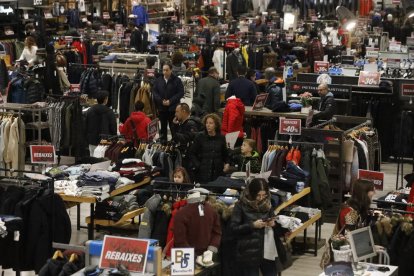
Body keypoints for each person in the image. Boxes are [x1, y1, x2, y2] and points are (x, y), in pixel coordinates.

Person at [230, 178, 282, 276]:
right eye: (258, 195)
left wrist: (273, 224)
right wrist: (252, 225)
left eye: (264, 195)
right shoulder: (240, 205)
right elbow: (233, 228)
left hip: (267, 250)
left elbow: (275, 224)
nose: (261, 198)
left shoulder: (268, 204)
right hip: (248, 253)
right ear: (252, 192)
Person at [189, 113, 230, 183]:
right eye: (207, 123)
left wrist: (227, 163)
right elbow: (191, 153)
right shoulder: (200, 136)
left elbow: (225, 154)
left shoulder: (221, 137)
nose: (208, 125)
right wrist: (198, 165)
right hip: (202, 173)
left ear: (216, 125)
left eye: (211, 123)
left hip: (217, 172)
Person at [152, 63, 184, 143]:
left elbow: (180, 93)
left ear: (171, 70)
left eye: (167, 70)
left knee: (174, 128)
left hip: (173, 109)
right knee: (163, 128)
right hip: (162, 109)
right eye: (163, 70)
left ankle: (175, 144)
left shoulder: (177, 80)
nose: (165, 72)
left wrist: (170, 101)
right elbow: (155, 93)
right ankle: (163, 144)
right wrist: (161, 101)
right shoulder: (158, 80)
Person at [172, 103, 202, 179]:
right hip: (184, 157)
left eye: (177, 112)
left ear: (184, 111)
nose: (175, 114)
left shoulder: (191, 123)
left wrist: (176, 133)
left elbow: (187, 138)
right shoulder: (182, 123)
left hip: (190, 160)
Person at [85, 90, 117, 156]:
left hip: (92, 140)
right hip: (105, 141)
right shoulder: (109, 112)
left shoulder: (90, 110)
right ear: (105, 99)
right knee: (103, 160)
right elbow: (113, 127)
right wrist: (114, 139)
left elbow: (85, 125)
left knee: (92, 159)